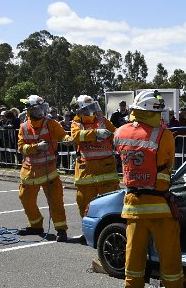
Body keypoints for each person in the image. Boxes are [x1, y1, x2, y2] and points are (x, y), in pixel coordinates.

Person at [114, 90, 186, 288]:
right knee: (169, 254)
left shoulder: (119, 132)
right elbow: (166, 167)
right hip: (158, 204)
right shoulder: (162, 134)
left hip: (133, 204)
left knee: (134, 252)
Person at [17, 95, 69, 242]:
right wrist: (36, 147)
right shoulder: (24, 127)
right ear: (30, 110)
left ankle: (61, 230)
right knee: (25, 199)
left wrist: (67, 140)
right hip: (29, 170)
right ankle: (35, 225)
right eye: (38, 109)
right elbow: (21, 147)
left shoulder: (51, 123)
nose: (41, 112)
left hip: (49, 170)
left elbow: (62, 136)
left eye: (42, 108)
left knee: (56, 201)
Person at [69, 95, 119, 223]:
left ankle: (110, 228)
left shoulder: (103, 121)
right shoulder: (76, 124)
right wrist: (96, 133)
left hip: (106, 169)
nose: (91, 111)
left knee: (111, 203)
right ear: (80, 110)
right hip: (86, 171)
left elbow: (116, 133)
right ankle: (88, 231)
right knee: (83, 203)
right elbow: (75, 135)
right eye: (88, 108)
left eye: (92, 107)